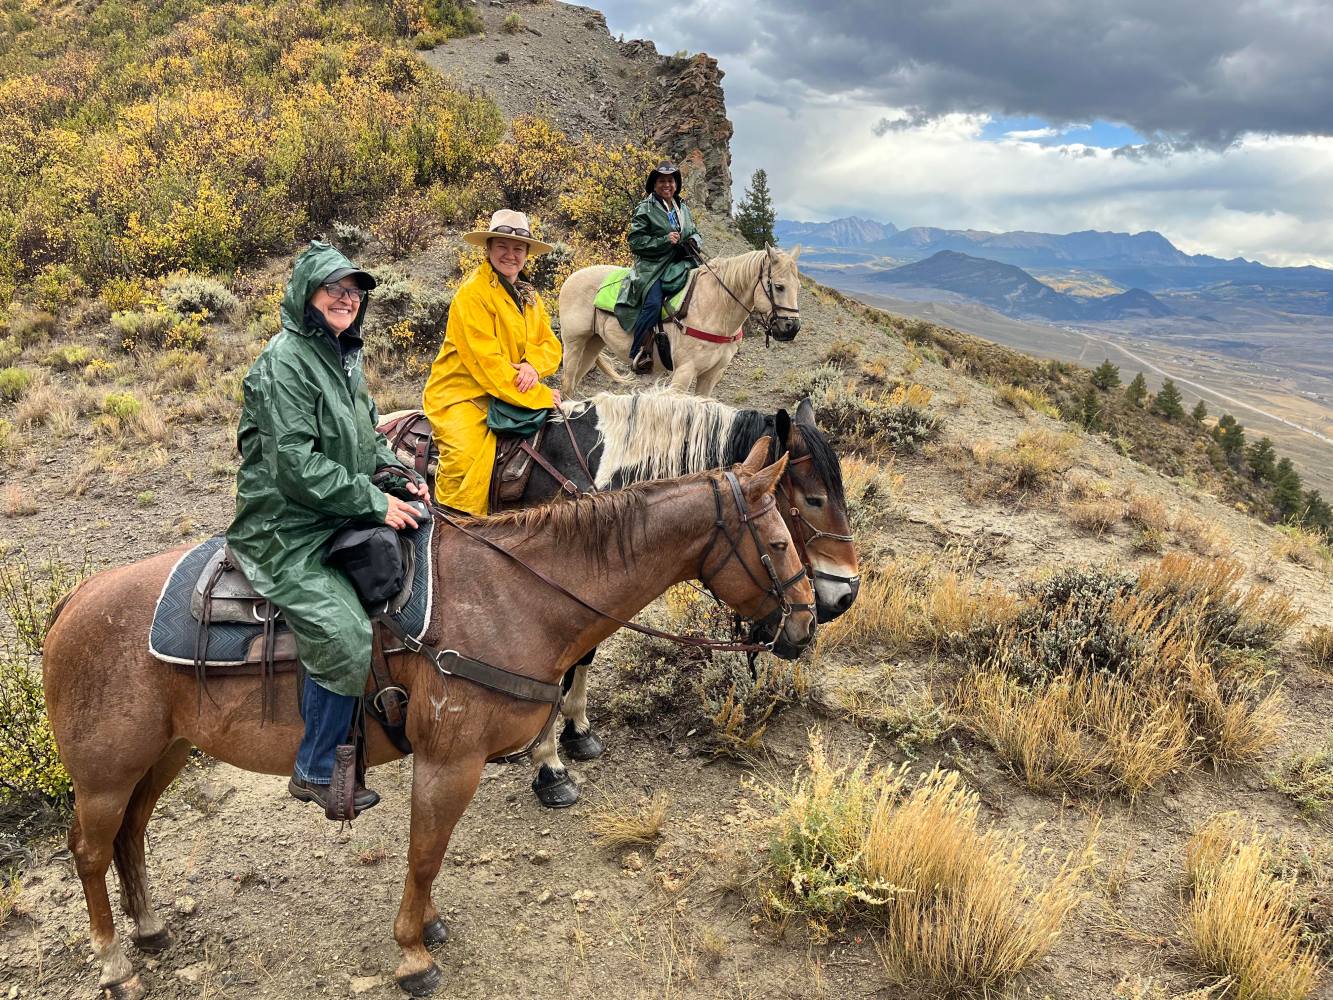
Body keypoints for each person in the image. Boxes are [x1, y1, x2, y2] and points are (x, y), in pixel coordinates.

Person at [226, 240, 429, 816]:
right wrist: (372, 502)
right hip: (285, 527)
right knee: (343, 632)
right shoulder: (283, 363)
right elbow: (294, 465)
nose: (346, 300)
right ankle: (316, 768)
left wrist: (395, 476)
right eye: (333, 289)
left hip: (334, 508)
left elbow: (364, 438)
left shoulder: (344, 356)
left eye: (354, 292)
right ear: (306, 297)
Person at [423, 209, 563, 515]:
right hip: (464, 394)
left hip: (510, 388)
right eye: (502, 246)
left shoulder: (528, 295)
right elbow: (488, 366)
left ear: (527, 253)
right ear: (488, 249)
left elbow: (549, 344)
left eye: (518, 248)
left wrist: (532, 366)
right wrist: (540, 395)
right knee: (466, 461)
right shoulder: (472, 294)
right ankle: (455, 529)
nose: (510, 254)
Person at [616, 160, 704, 374]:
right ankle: (641, 351)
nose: (667, 185)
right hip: (652, 266)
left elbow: (694, 231)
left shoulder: (681, 206)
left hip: (681, 263)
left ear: (677, 184)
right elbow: (635, 242)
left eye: (671, 180)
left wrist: (694, 241)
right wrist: (664, 240)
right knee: (654, 303)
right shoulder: (645, 208)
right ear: (654, 184)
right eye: (662, 180)